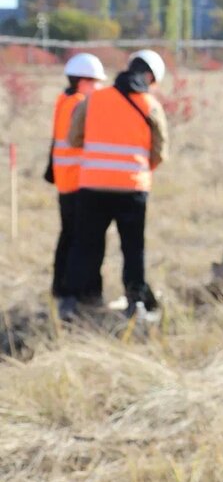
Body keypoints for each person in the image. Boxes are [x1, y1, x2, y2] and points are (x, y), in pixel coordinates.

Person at [59, 50, 170, 320]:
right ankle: (136, 305)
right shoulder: (150, 104)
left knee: (85, 245)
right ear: (148, 76)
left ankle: (71, 303)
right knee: (133, 249)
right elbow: (160, 151)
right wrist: (140, 170)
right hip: (133, 189)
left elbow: (74, 137)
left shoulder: (95, 98)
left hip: (92, 187)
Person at [45, 53, 108, 304]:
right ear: (83, 82)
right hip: (78, 180)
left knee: (67, 236)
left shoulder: (63, 100)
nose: (99, 88)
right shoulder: (81, 104)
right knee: (80, 240)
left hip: (65, 180)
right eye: (96, 83)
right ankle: (76, 293)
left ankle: (60, 288)